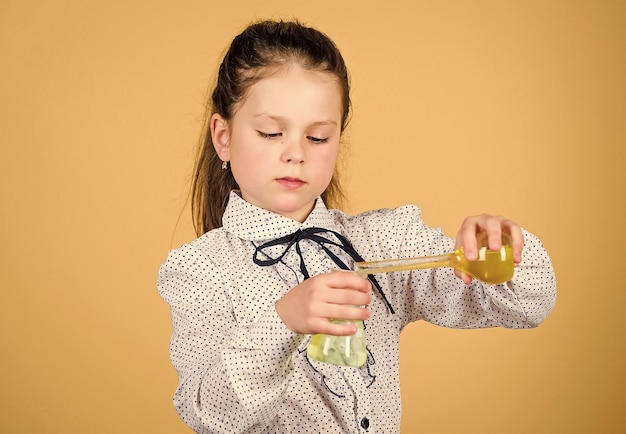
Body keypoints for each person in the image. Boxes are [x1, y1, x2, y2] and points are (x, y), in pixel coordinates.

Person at [158, 19, 556, 433]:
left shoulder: (383, 242)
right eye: (271, 132)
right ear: (223, 137)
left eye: (318, 138)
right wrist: (284, 321)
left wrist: (499, 250)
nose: (295, 153)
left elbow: (528, 306)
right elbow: (209, 414)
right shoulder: (199, 270)